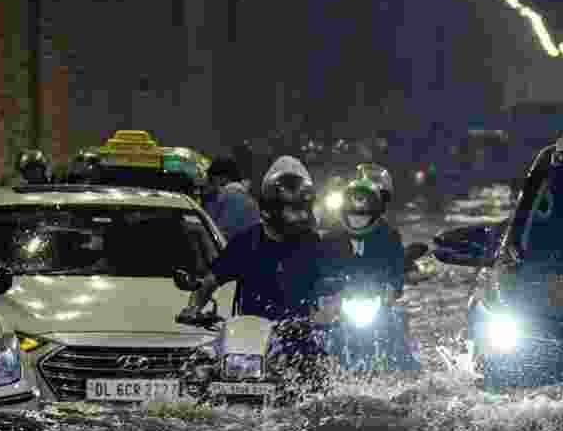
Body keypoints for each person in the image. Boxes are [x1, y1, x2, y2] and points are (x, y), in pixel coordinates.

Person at [178, 156, 343, 324]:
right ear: (272, 207)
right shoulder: (247, 243)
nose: (298, 216)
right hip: (248, 339)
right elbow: (210, 281)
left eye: (301, 208)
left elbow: (331, 289)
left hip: (301, 341)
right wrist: (193, 308)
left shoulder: (313, 244)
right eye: (291, 209)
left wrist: (329, 314)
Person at [326, 177, 418, 368]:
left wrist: (394, 287)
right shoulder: (330, 237)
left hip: (378, 302)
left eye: (363, 215)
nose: (357, 220)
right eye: (352, 214)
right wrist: (327, 289)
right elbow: (319, 269)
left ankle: (406, 371)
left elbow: (397, 268)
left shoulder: (389, 235)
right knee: (322, 335)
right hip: (341, 304)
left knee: (397, 324)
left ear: (375, 214)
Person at [202, 157, 261, 240]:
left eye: (212, 180)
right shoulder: (250, 198)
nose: (210, 184)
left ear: (222, 178)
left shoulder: (226, 197)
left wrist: (208, 198)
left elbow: (215, 232)